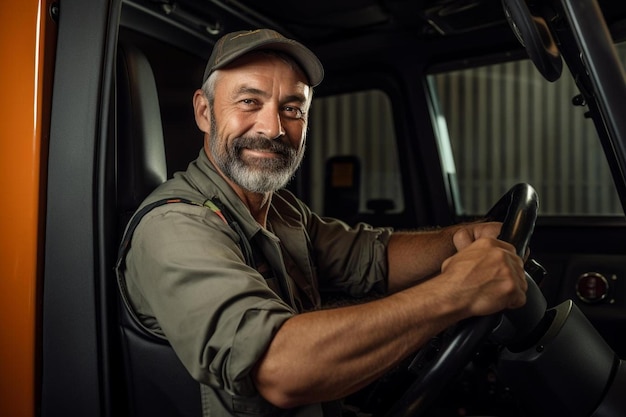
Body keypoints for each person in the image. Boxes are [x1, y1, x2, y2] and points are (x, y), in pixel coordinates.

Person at [118, 28, 527, 416]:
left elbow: (374, 256)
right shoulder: (175, 227)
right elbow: (280, 368)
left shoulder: (281, 210)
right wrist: (457, 293)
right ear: (205, 112)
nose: (274, 128)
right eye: (249, 102)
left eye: (292, 109)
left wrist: (465, 237)